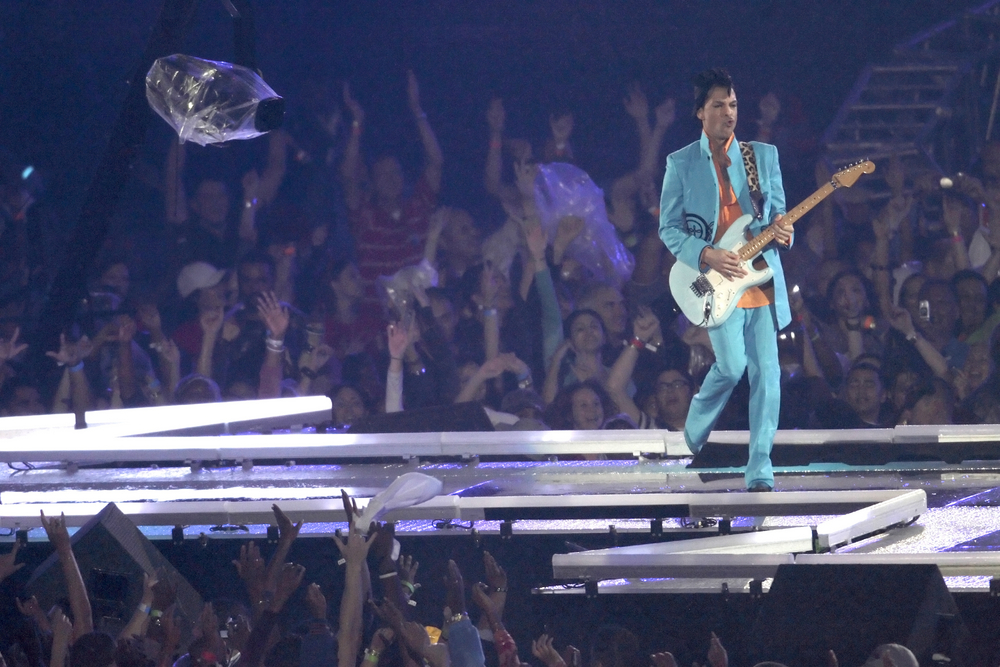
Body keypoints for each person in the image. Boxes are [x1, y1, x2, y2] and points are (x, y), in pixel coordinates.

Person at [658, 68, 793, 491]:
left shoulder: (762, 156)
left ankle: (760, 465)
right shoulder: (680, 163)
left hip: (760, 277)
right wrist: (707, 254)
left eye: (733, 104)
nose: (728, 112)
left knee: (768, 375)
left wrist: (785, 232)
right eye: (718, 105)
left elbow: (778, 217)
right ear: (700, 112)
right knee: (732, 367)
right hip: (718, 281)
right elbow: (668, 228)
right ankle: (697, 421)